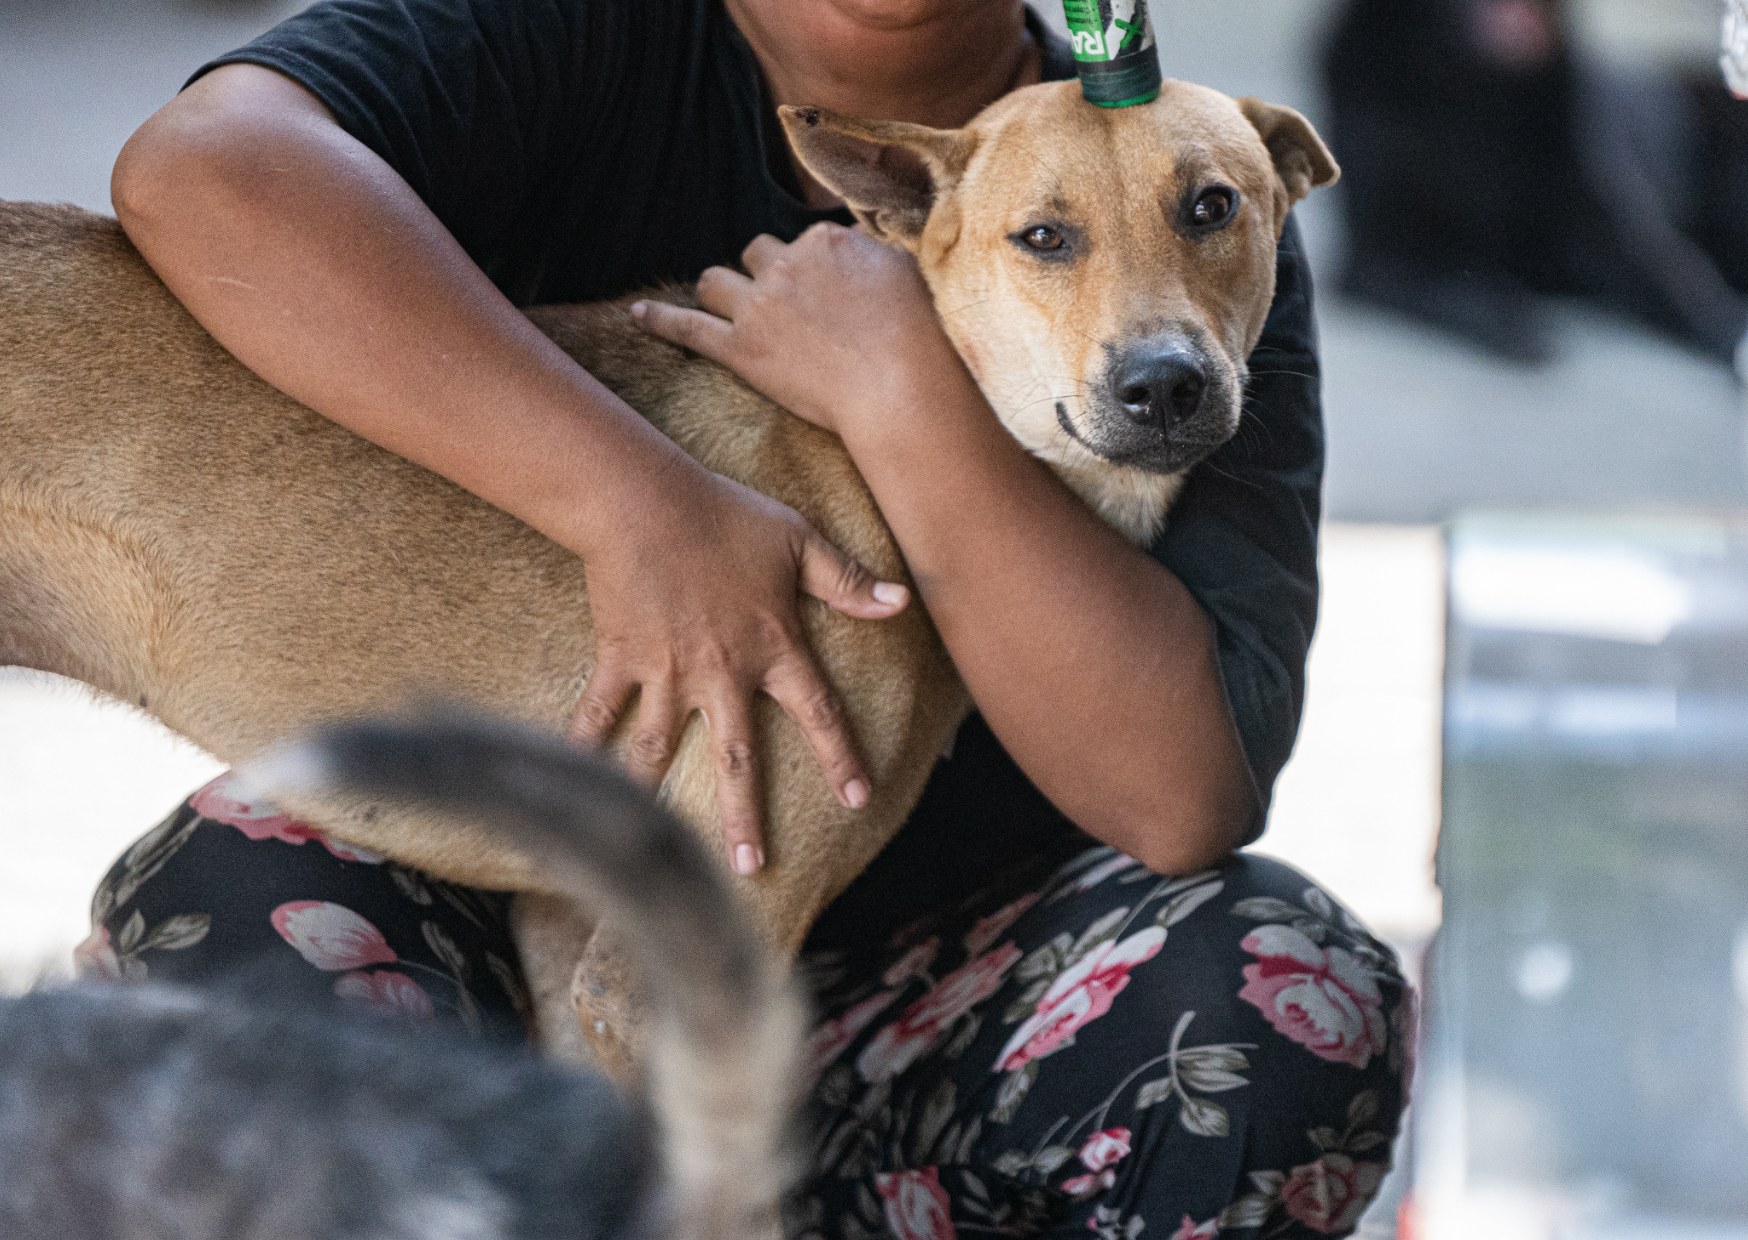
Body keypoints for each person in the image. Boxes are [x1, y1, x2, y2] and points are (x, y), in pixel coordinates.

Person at [83, 2, 1411, 1235]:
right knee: (250, 909)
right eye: (1046, 242)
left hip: (938, 983)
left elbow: (1176, 796)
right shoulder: (581, 32)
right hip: (459, 920)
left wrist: (899, 390)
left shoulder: (1182, 178)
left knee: (1284, 999)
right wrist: (644, 506)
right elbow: (208, 167)